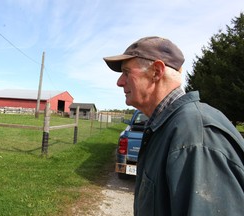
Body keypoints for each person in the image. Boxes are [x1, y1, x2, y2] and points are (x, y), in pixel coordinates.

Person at [103, 36, 244, 216]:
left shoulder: (196, 135)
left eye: (126, 72)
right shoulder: (167, 126)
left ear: (156, 71)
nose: (119, 82)